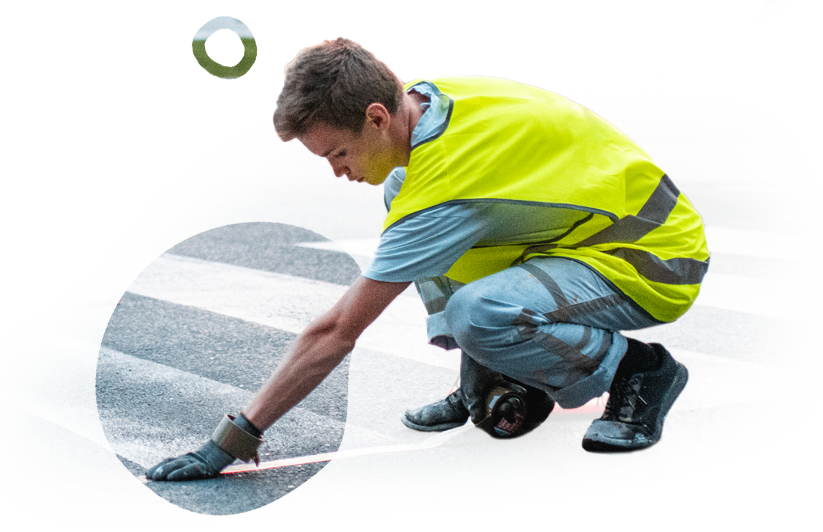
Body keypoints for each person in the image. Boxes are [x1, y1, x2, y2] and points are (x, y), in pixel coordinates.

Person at [146, 38, 709, 481]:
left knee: (479, 311)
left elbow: (338, 331)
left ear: (375, 117)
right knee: (400, 192)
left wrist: (237, 437)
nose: (336, 171)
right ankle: (489, 378)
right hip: (578, 238)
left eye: (337, 153)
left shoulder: (445, 185)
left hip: (651, 256)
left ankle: (639, 371)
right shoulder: (420, 101)